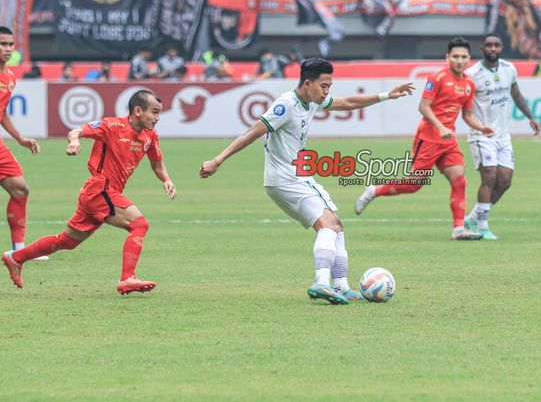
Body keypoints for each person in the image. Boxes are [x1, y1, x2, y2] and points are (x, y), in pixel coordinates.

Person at [200, 58, 413, 305]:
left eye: (329, 86)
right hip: (289, 179)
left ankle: (341, 286)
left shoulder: (311, 102)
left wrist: (387, 95)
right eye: (324, 86)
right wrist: (218, 159)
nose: (327, 91)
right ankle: (322, 283)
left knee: (336, 225)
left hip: (287, 180)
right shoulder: (287, 104)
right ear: (307, 83)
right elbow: (253, 131)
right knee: (328, 226)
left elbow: (347, 102)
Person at [2, 90, 177, 294]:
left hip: (99, 194)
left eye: (159, 113)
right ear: (138, 110)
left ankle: (16, 257)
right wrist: (74, 141)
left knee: (66, 241)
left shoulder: (150, 136)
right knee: (139, 224)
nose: (157, 118)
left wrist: (166, 179)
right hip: (100, 189)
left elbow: (157, 164)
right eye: (154, 112)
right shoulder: (112, 126)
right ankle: (128, 277)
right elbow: (76, 131)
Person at [354, 37, 492, 241]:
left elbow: (467, 115)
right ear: (447, 57)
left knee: (459, 180)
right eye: (455, 56)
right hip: (428, 138)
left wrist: (482, 127)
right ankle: (375, 190)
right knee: (414, 184)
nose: (459, 61)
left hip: (448, 141)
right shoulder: (437, 78)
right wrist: (440, 127)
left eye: (463, 57)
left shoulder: (469, 84)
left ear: (469, 59)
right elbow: (423, 106)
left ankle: (458, 229)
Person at [463, 33, 541, 240]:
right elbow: (466, 108)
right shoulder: (472, 74)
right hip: (481, 135)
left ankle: (472, 217)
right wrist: (479, 127)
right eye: (488, 45)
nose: (492, 49)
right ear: (482, 48)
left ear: (501, 47)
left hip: (503, 136)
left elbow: (516, 94)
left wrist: (531, 117)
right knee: (489, 176)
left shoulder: (509, 69)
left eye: (496, 45)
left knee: (505, 181)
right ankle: (482, 225)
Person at [0, 25, 46, 261]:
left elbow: (3, 112)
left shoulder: (9, 77)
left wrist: (19, 138)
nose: (7, 49)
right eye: (2, 44)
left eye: (10, 44)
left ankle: (18, 249)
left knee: (20, 189)